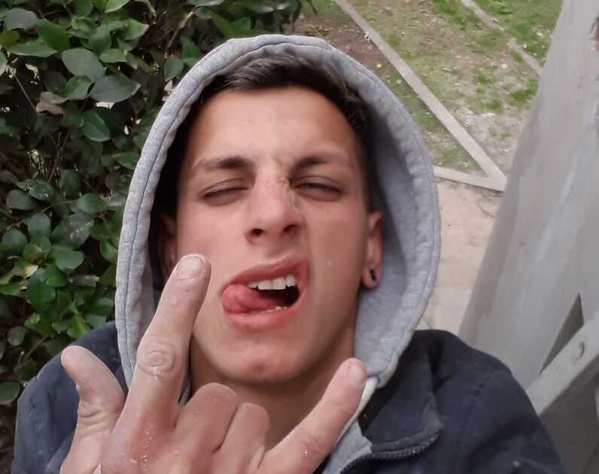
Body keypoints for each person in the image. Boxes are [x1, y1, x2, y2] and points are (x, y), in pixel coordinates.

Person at [12, 35, 565, 473]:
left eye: (319, 185)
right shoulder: (70, 403)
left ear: (373, 246)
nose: (274, 212)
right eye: (223, 189)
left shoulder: (479, 423)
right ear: (169, 249)